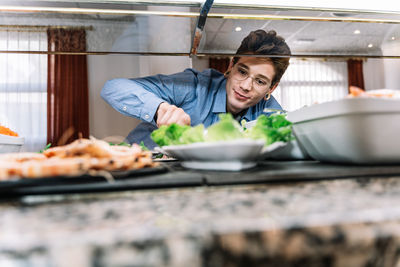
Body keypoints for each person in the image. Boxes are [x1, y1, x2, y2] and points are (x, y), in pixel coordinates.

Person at [101, 29, 291, 149]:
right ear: (231, 65)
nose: (245, 86)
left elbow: (291, 139)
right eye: (242, 72)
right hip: (139, 169)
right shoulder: (194, 85)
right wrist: (160, 109)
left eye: (260, 81)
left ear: (271, 88)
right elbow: (113, 87)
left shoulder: (270, 111)